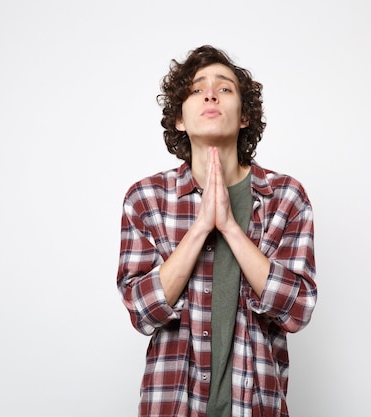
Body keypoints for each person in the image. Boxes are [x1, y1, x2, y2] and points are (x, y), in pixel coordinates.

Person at [116, 45, 317, 417]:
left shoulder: (286, 197)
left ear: (244, 116)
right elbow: (142, 311)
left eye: (224, 88)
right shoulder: (146, 200)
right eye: (196, 89)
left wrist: (229, 226)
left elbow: (298, 309)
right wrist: (200, 228)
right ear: (179, 119)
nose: (210, 94)